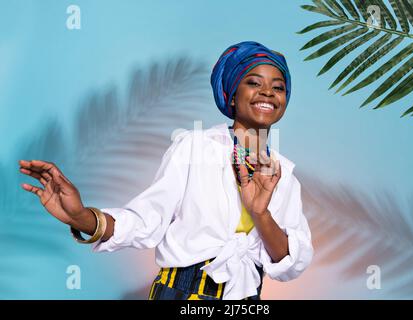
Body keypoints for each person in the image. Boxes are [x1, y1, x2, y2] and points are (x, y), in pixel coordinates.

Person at [19, 41, 313, 300]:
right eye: (254, 82)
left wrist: (260, 214)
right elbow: (148, 220)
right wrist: (82, 217)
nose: (268, 92)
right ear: (232, 95)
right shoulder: (195, 147)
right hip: (182, 293)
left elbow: (290, 263)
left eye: (279, 87)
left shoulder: (284, 175)